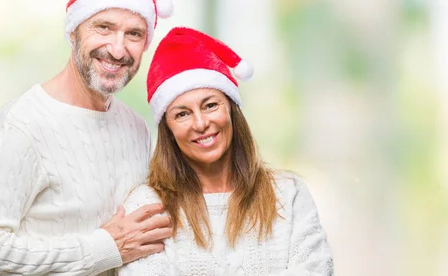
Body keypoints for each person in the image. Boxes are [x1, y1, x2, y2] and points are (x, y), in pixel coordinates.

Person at [0, 0, 175, 275]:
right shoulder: (23, 124)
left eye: (134, 34)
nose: (118, 49)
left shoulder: (136, 128)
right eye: (104, 27)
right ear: (73, 32)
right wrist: (103, 248)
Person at [117, 27, 334, 275]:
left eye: (210, 105)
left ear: (231, 109)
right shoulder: (147, 205)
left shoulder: (289, 194)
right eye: (182, 114)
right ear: (168, 129)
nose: (200, 124)